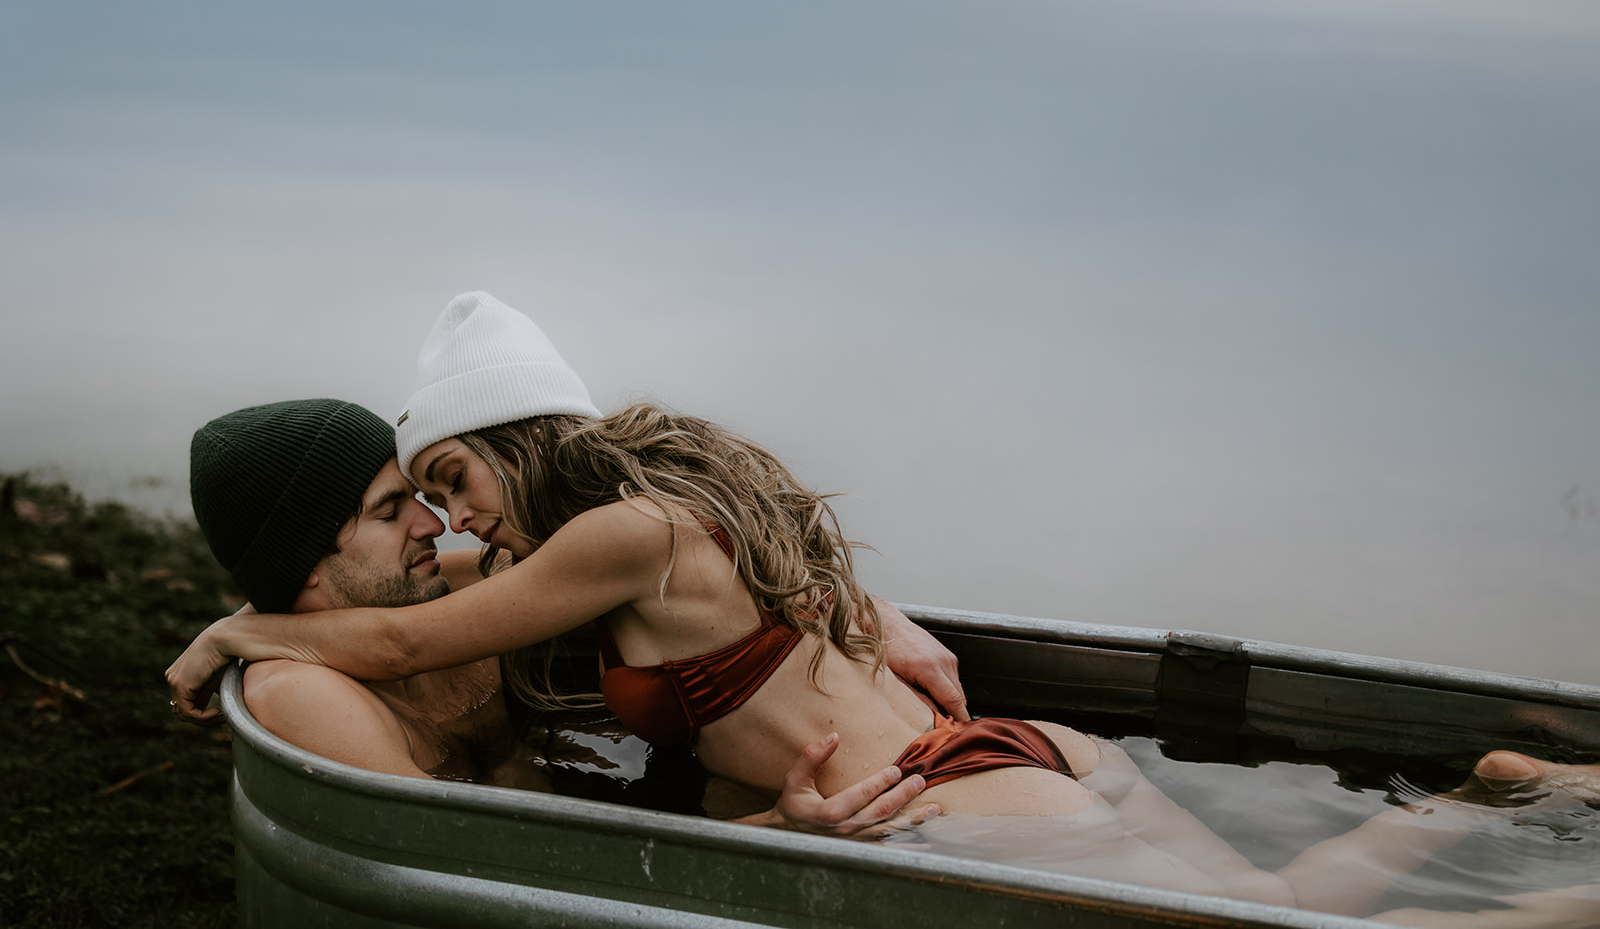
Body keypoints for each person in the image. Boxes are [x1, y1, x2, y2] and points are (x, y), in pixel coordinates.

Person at [169, 293, 1600, 926]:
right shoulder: (676, 493)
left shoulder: (609, 536)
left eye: (451, 479)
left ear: (511, 435)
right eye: (411, 500)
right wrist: (885, 613)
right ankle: (1486, 793)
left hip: (939, 800)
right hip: (1010, 756)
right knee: (1279, 902)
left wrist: (237, 628)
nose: (449, 520)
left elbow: (411, 635)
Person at [183, 396, 964, 833]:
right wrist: (775, 839)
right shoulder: (299, 690)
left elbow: (685, 550)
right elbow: (470, 865)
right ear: (310, 563)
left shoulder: (445, 593)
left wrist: (873, 610)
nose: (437, 524)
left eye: (434, 494)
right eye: (395, 511)